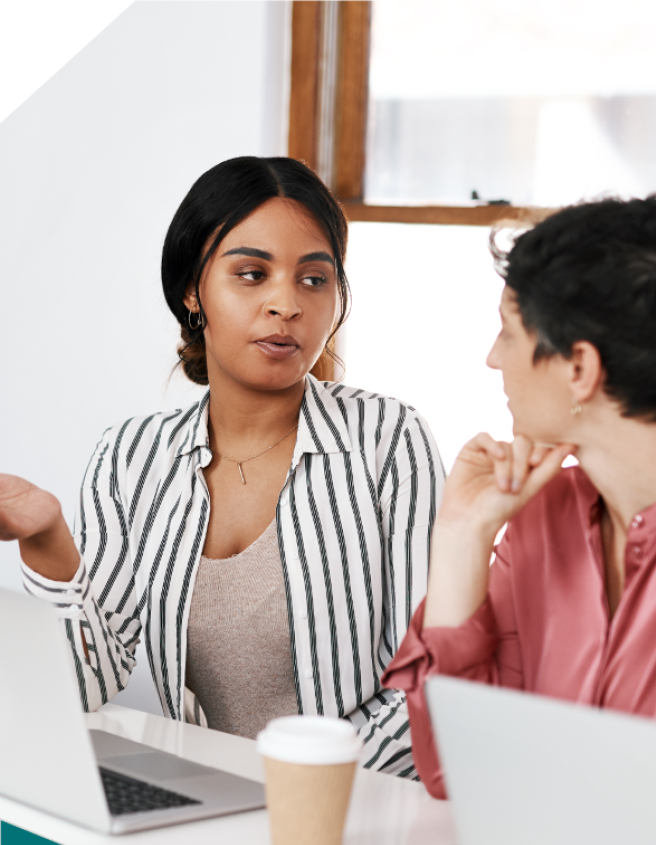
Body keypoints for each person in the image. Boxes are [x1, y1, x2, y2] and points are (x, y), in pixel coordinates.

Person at [0, 156, 444, 777]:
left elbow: (426, 682)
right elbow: (84, 684)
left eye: (313, 280)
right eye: (252, 274)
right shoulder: (130, 458)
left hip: (353, 813)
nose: (285, 304)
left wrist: (294, 796)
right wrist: (47, 539)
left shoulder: (389, 441)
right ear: (192, 291)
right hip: (209, 811)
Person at [383, 194, 656, 799]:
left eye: (508, 332)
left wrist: (522, 775)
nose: (493, 357)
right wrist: (459, 536)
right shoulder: (543, 515)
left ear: (579, 368)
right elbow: (456, 771)